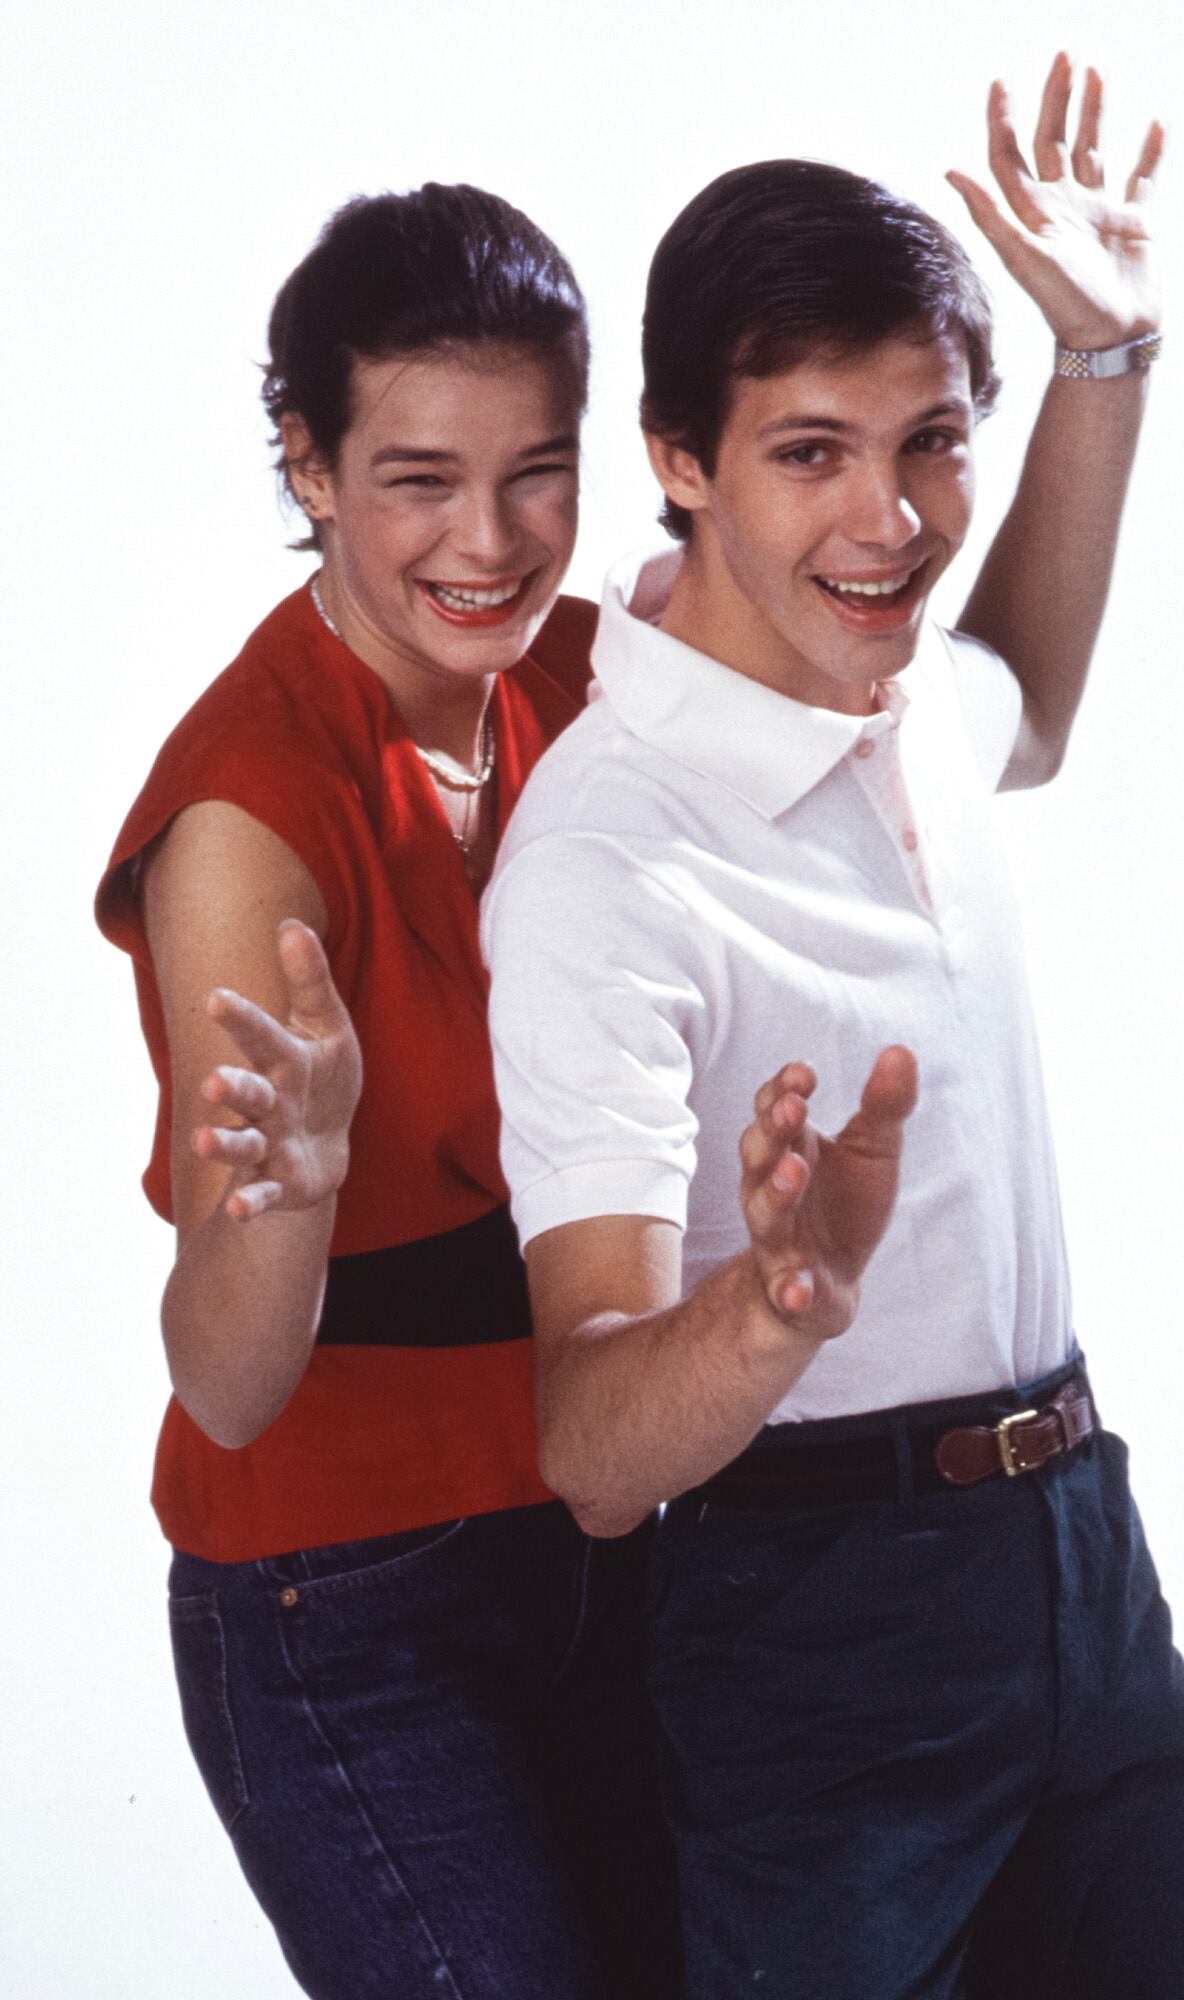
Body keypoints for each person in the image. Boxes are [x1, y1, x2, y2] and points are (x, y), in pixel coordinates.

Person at [478, 60, 1184, 2000]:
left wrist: (1103, 363)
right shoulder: (606, 864)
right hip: (814, 1632)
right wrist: (767, 1304)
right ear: (678, 453)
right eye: (810, 451)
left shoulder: (904, 687)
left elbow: (1030, 691)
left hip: (1083, 1575)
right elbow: (595, 1445)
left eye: (930, 442)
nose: (890, 520)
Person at [95, 182, 680, 2000]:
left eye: (537, 471)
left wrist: (1098, 369)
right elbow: (231, 1379)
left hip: (599, 1530)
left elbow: (1001, 719)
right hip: (341, 1597)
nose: (491, 541)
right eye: (419, 475)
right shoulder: (246, 819)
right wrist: (289, 1185)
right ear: (309, 465)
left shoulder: (587, 680)